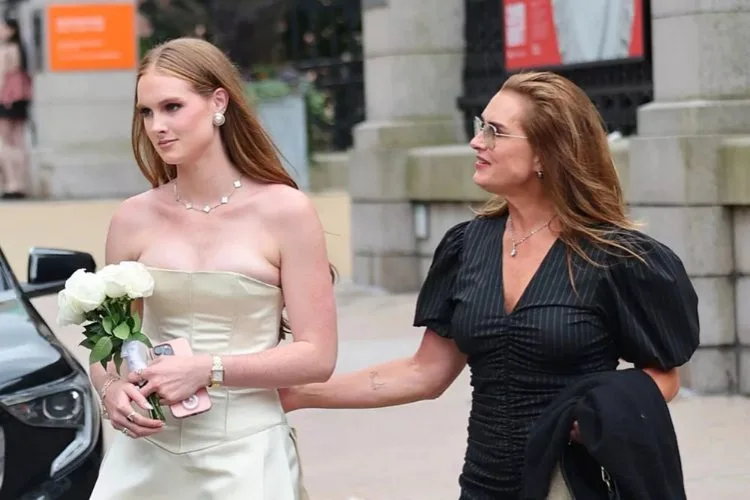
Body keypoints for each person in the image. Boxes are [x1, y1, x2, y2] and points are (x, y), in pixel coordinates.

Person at [280, 71, 700, 499]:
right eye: (481, 126)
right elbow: (424, 372)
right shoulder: (467, 246)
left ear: (545, 155)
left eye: (495, 132)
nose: (477, 142)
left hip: (571, 483)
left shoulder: (615, 257)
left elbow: (665, 376)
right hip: (484, 483)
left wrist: (599, 417)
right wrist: (296, 393)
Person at [87, 37, 338, 500]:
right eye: (146, 113)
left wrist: (209, 368)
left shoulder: (286, 212)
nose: (157, 126)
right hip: (145, 459)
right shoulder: (131, 218)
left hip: (245, 457)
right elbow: (113, 347)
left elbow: (317, 356)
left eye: (172, 107)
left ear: (218, 102)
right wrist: (112, 390)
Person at [0, 16, 32, 199]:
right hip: (20, 100)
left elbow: (1, 78)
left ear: (11, 30)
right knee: (19, 141)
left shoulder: (5, 51)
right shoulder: (21, 49)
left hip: (5, 100)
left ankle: (11, 184)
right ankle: (21, 183)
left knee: (5, 142)